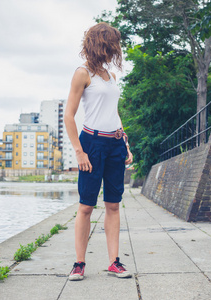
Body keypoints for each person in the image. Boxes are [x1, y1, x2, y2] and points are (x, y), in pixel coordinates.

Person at [64, 22, 133, 281]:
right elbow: (69, 117)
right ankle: (79, 264)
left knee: (113, 205)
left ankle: (114, 262)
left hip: (115, 143)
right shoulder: (82, 74)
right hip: (91, 145)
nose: (116, 48)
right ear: (100, 43)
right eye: (112, 43)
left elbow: (113, 114)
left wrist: (125, 142)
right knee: (85, 207)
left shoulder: (110, 76)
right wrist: (80, 153)